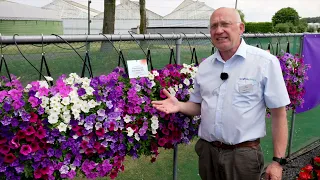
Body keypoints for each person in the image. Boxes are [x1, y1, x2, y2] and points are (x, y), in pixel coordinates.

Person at [152, 7, 290, 180]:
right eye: (214, 26)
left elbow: (279, 114)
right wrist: (179, 105)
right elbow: (198, 106)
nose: (219, 30)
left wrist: (277, 161)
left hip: (243, 156)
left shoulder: (264, 62)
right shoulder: (206, 67)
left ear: (241, 28)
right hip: (208, 153)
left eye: (225, 24)